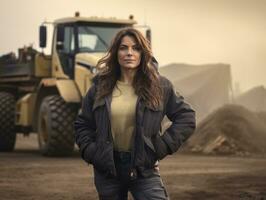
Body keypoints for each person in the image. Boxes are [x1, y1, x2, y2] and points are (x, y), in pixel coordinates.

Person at [74, 28, 196, 200]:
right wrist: (93, 152)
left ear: (143, 53)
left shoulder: (160, 86)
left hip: (143, 169)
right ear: (116, 52)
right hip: (108, 170)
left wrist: (161, 147)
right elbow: (83, 124)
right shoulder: (99, 87)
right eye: (123, 48)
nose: (129, 53)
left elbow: (187, 117)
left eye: (136, 48)